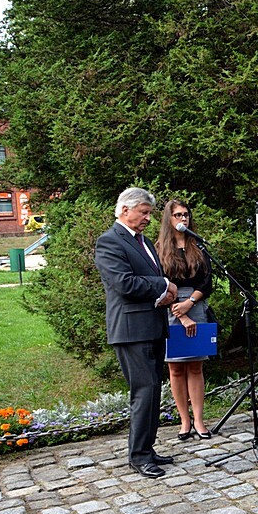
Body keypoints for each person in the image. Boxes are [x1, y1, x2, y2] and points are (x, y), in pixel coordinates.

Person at [95, 187, 179, 479]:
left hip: (152, 325)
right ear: (125, 210)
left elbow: (147, 277)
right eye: (143, 213)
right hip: (131, 330)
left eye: (149, 214)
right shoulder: (109, 241)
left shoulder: (142, 242)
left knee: (153, 390)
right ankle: (139, 456)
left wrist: (162, 290)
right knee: (143, 392)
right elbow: (124, 283)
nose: (147, 219)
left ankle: (148, 447)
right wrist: (163, 287)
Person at [157, 200, 214, 441]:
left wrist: (190, 304)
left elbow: (207, 281)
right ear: (168, 220)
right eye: (178, 215)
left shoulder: (197, 246)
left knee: (196, 365)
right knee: (176, 367)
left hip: (195, 303)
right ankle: (184, 421)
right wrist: (179, 312)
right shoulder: (158, 248)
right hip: (170, 307)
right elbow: (157, 283)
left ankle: (200, 420)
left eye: (186, 215)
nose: (183, 219)